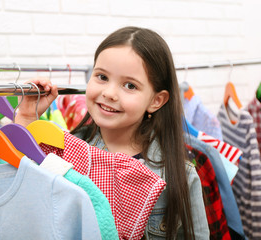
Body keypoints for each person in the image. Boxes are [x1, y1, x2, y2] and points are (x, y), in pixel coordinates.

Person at [16, 26, 209, 239]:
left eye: (129, 85)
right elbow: (24, 182)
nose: (109, 93)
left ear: (156, 100)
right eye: (102, 77)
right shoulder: (65, 151)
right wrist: (26, 117)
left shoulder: (180, 173)